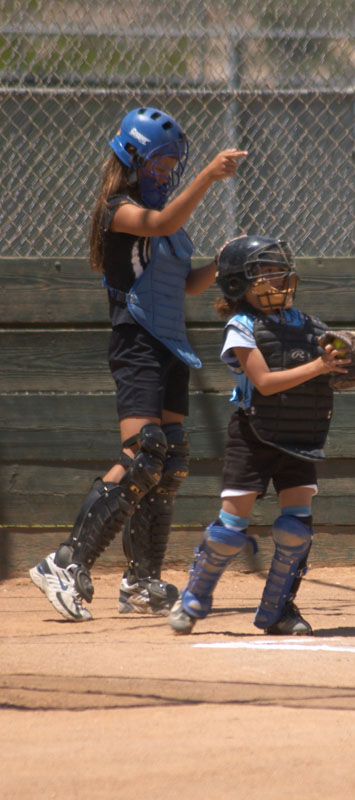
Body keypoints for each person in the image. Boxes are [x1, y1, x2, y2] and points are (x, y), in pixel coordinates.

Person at [29, 106, 247, 622]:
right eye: (158, 163)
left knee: (170, 461)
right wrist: (209, 176)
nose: (166, 173)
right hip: (137, 342)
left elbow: (186, 284)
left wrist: (223, 261)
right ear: (132, 159)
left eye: (172, 164)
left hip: (170, 346)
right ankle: (64, 563)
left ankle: (141, 582)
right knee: (142, 454)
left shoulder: (167, 218)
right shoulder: (118, 209)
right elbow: (163, 222)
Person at [168, 234, 349, 636]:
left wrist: (346, 363)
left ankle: (279, 610)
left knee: (296, 530)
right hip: (253, 433)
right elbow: (264, 383)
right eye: (263, 273)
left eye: (279, 271)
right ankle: (195, 595)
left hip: (299, 434)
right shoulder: (242, 326)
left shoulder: (311, 326)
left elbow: (329, 372)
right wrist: (319, 367)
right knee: (229, 531)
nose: (276, 279)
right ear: (237, 283)